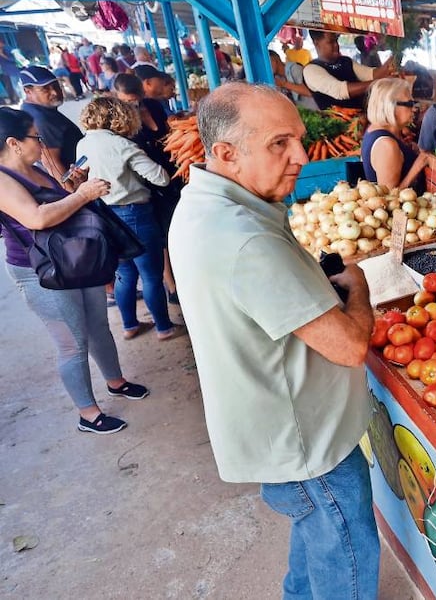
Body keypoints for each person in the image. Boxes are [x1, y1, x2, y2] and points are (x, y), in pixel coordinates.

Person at [169, 83, 379, 599]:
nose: (302, 157)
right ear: (225, 153)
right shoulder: (247, 239)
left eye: (300, 140)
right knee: (346, 558)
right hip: (309, 443)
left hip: (275, 430)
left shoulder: (201, 204)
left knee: (315, 544)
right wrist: (359, 287)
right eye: (279, 144)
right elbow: (350, 346)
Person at [0, 107, 148, 434]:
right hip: (39, 271)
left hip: (73, 258)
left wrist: (72, 189)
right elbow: (37, 218)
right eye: (34, 137)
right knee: (72, 343)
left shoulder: (35, 167)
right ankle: (88, 413)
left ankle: (115, 380)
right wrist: (82, 196)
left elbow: (58, 208)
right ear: (13, 143)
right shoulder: (2, 179)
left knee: (97, 326)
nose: (41, 142)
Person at [77, 96, 181, 341]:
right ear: (119, 117)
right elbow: (161, 178)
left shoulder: (83, 144)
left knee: (125, 274)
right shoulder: (123, 145)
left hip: (106, 215)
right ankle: (164, 327)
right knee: (151, 275)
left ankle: (130, 325)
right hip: (136, 214)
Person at [114, 72, 182, 302]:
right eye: (126, 100)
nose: (132, 104)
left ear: (143, 93)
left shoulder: (154, 105)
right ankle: (171, 285)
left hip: (172, 172)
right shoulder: (119, 120)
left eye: (135, 99)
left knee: (176, 224)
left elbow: (169, 131)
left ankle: (183, 271)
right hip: (146, 181)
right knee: (160, 234)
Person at [302, 30, 394, 111]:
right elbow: (340, 91)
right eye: (331, 42)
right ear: (316, 43)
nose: (336, 45)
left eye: (336, 41)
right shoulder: (311, 70)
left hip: (363, 117)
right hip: (341, 126)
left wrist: (394, 58)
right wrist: (378, 82)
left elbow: (372, 74)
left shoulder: (345, 61)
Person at [19, 66, 83, 182]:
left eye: (55, 86)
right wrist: (75, 195)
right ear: (28, 91)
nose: (54, 92)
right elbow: (51, 163)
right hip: (74, 182)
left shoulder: (39, 110)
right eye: (45, 89)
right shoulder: (41, 119)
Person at [361, 77, 424, 190]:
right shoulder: (386, 145)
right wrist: (419, 164)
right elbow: (390, 199)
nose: (414, 109)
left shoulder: (374, 129)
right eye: (409, 103)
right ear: (390, 106)